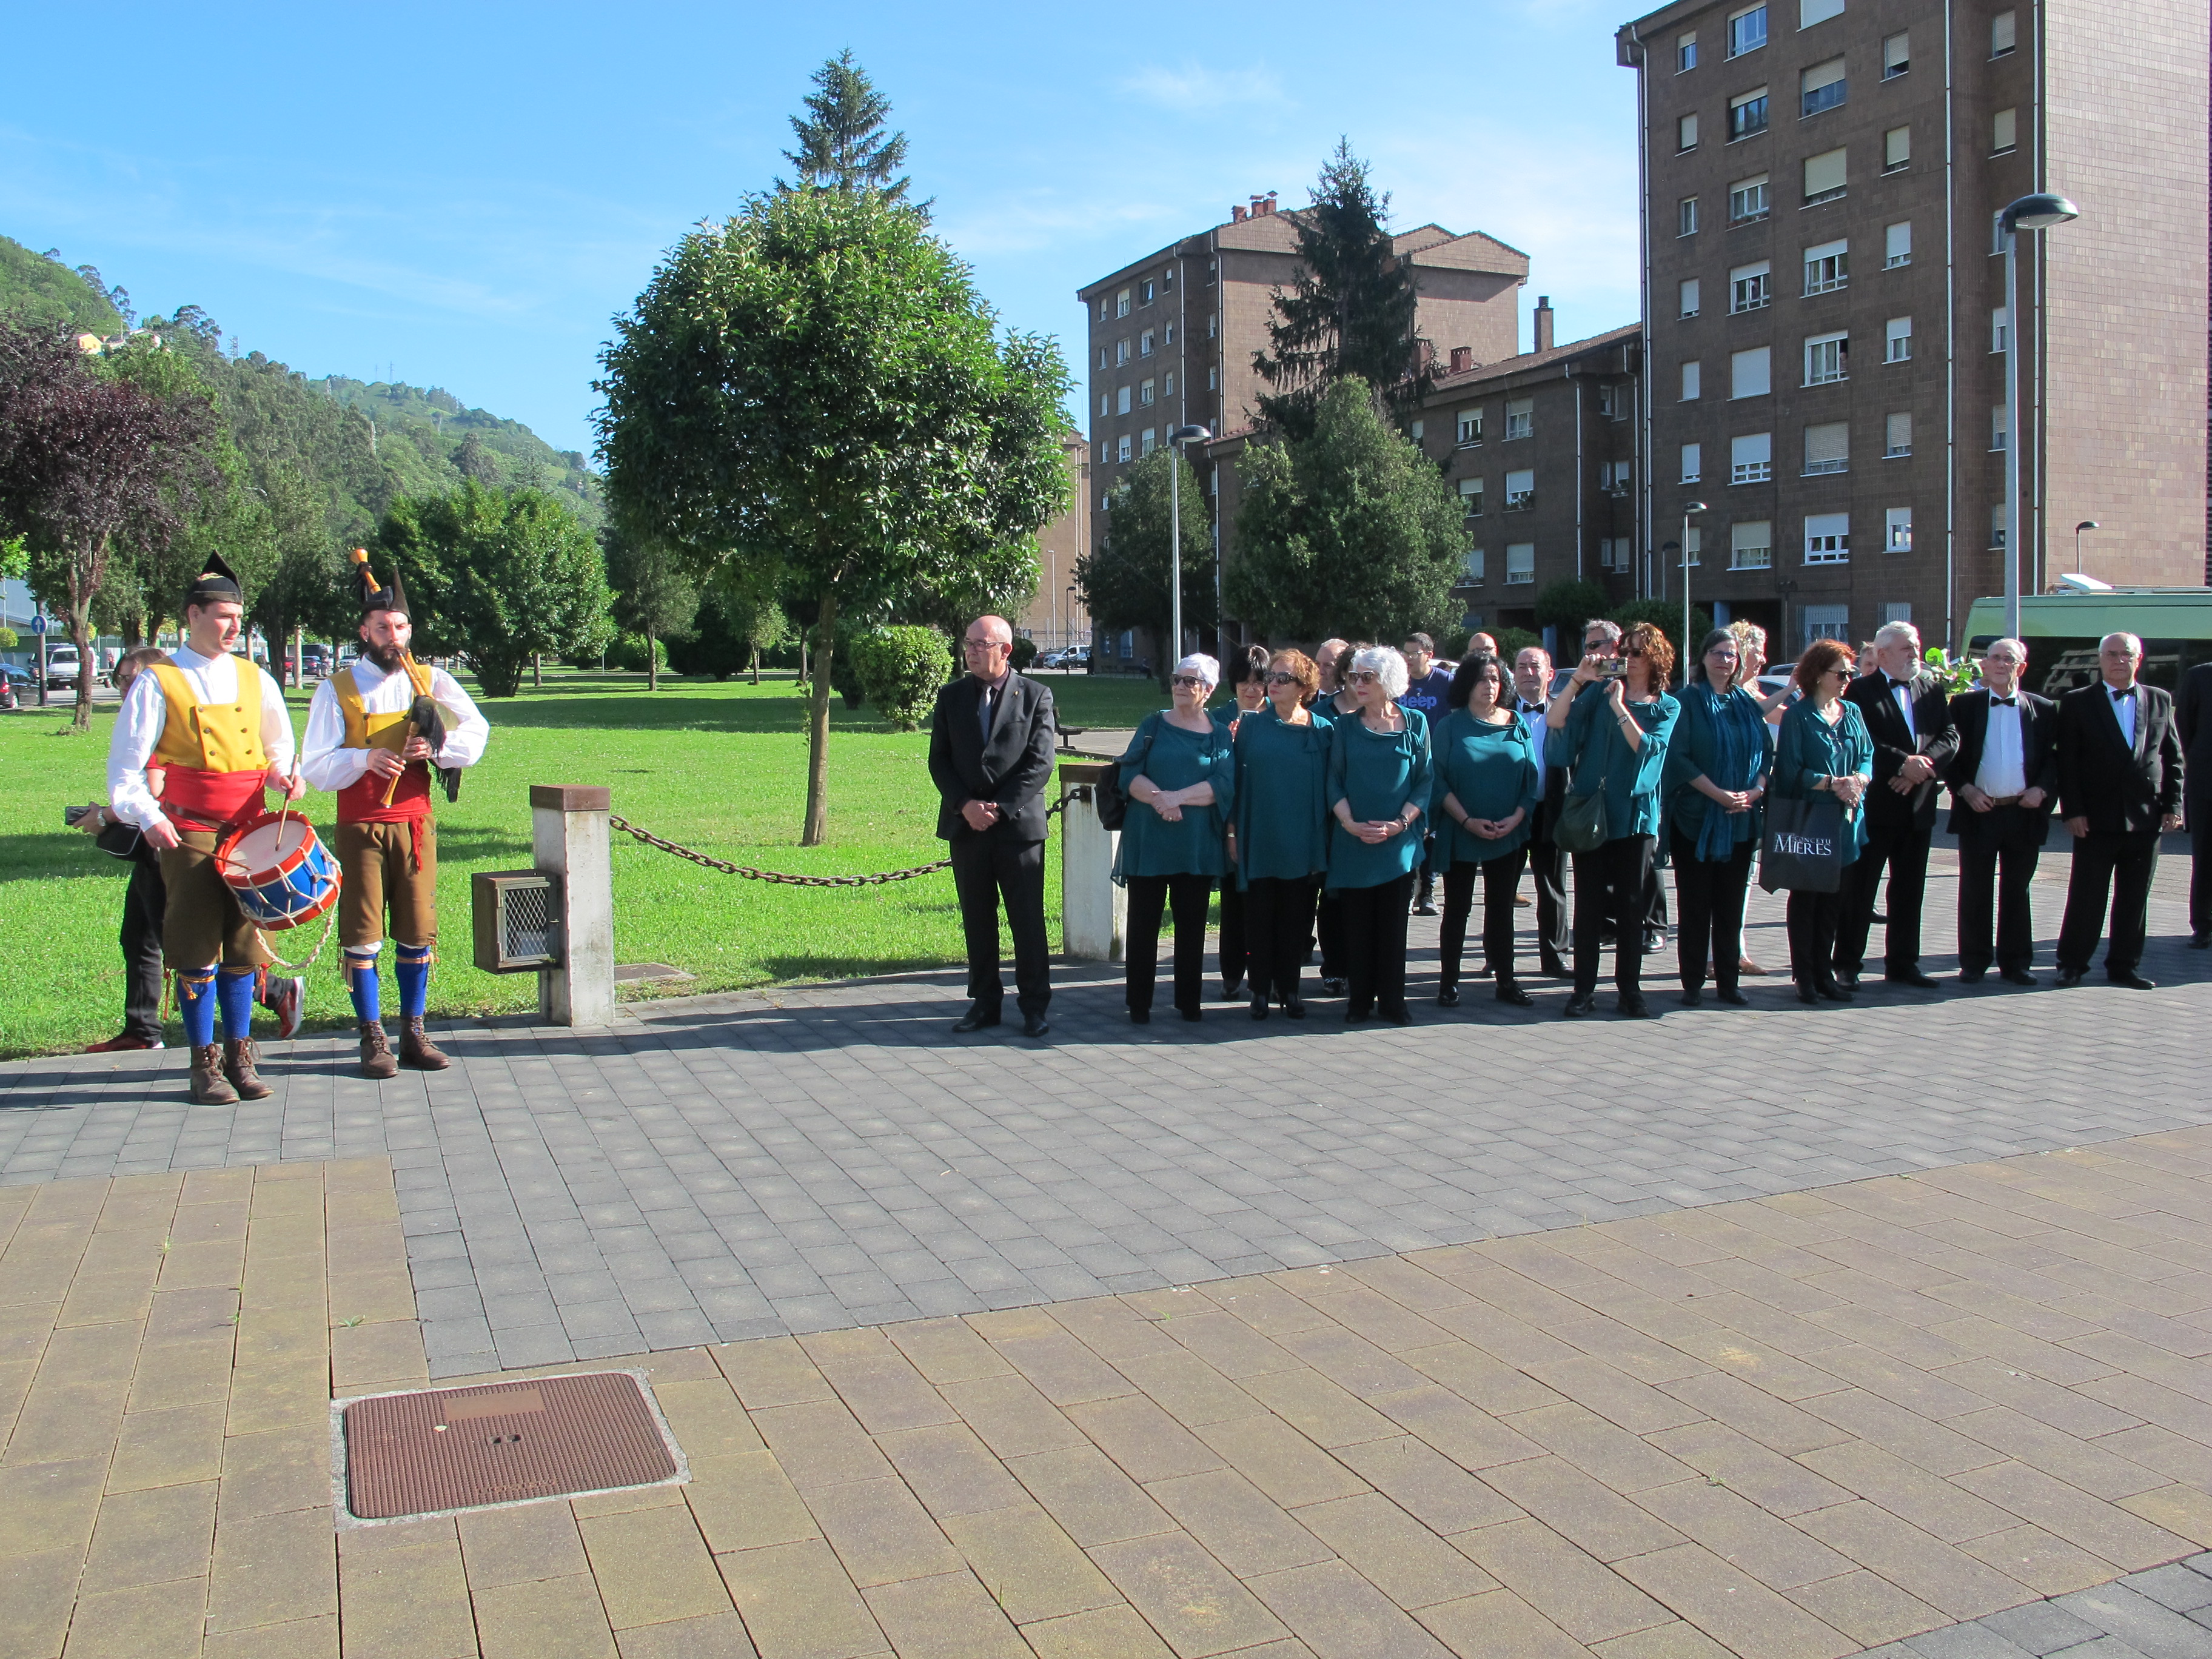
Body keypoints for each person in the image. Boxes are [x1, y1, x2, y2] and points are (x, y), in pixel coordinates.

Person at [106, 555, 304, 1104]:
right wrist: (150, 817)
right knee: (195, 948)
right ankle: (203, 1066)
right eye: (223, 616)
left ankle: (241, 1057)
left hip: (250, 831)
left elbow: (278, 748)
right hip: (189, 831)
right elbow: (124, 772)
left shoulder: (256, 678)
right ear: (193, 616)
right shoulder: (158, 681)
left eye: (239, 617)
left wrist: (284, 775)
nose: (235, 627)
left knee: (245, 948)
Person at [301, 552, 491, 1077]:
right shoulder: (337, 688)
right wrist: (364, 759)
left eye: (401, 627)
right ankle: (372, 1037)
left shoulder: (429, 681)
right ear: (364, 631)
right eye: (383, 627)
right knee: (363, 933)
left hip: (414, 822)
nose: (394, 636)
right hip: (361, 824)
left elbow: (476, 731)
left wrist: (438, 748)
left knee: (416, 929)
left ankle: (413, 1032)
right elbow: (315, 765)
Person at [928, 614, 1058, 1037]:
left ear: (1005, 650)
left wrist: (999, 808)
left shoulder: (1035, 695)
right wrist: (965, 805)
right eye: (968, 643)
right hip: (967, 827)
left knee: (1027, 920)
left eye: (981, 644)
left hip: (1017, 830)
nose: (971, 651)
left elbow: (1040, 763)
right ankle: (984, 1003)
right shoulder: (951, 697)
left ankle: (1035, 1006)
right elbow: (939, 760)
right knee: (977, 919)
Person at [1550, 620, 1678, 1019]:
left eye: (1637, 652)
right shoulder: (1599, 691)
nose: (1628, 659)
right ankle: (1583, 990)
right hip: (1594, 813)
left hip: (1634, 819)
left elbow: (1649, 749)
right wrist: (1578, 681)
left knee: (1630, 906)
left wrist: (1620, 708)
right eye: (1625, 651)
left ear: (1655, 658)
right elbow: (1556, 723)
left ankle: (1630, 991)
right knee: (1588, 907)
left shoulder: (1666, 706)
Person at [2054, 632, 2185, 989]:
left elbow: (2173, 757)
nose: (2118, 660)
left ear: (2138, 659)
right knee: (2087, 896)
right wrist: (2073, 811)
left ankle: (2124, 966)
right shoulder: (2078, 702)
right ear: (2100, 659)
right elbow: (2067, 762)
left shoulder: (2159, 699)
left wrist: (2173, 804)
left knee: (2135, 898)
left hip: (2145, 816)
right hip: (2095, 817)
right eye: (2111, 654)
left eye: (2126, 654)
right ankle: (2072, 964)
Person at [1835, 621, 1957, 990]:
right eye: (1907, 647)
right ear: (1883, 654)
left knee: (1909, 890)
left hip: (1918, 806)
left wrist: (1922, 766)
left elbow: (1950, 735)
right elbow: (1860, 740)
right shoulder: (1859, 690)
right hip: (1876, 806)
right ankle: (1847, 964)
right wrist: (1902, 764)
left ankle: (1904, 963)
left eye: (1916, 645)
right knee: (1860, 890)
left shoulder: (1930, 688)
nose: (1915, 653)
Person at [1114, 655, 1235, 1023]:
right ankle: (1139, 1004)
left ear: (1209, 690)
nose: (1181, 686)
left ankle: (1189, 1002)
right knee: (1143, 927)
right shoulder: (1152, 724)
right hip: (1149, 841)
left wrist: (1175, 798)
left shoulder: (1218, 734)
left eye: (1191, 681)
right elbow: (1128, 775)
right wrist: (1160, 800)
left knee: (1192, 927)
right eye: (1177, 679)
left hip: (1196, 845)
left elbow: (1223, 785)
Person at [1326, 646, 1432, 1024]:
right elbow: (1334, 782)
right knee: (1356, 928)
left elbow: (1425, 781)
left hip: (1398, 845)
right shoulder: (1344, 727)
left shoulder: (1416, 722)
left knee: (1393, 929)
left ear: (1388, 681)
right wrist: (1349, 823)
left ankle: (1393, 1001)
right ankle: (1358, 1002)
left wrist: (1400, 824)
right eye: (1354, 676)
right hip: (1353, 843)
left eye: (1366, 677)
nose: (1358, 683)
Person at [1943, 638, 2058, 986]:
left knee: (2017, 890)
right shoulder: (1964, 706)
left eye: (2009, 659)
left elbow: (2055, 759)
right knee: (1975, 890)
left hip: (2023, 811)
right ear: (1984, 665)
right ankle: (1974, 962)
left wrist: (2042, 789)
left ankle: (2016, 963)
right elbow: (1948, 756)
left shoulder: (2043, 709)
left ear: (2021, 667)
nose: (2001, 664)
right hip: (1978, 811)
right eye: (1994, 658)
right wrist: (1965, 790)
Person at [1667, 629, 1770, 1007]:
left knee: (1730, 907)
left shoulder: (1745, 702)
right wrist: (1718, 794)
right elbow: (1678, 758)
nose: (1724, 661)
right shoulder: (1687, 701)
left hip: (1741, 819)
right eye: (1717, 653)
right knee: (1696, 907)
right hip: (1696, 820)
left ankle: (1729, 982)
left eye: (1731, 655)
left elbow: (1766, 753)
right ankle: (1693, 983)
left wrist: (1755, 791)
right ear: (1703, 657)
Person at [1432, 654, 1541, 1007]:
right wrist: (1466, 820)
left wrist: (1517, 817)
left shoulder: (1516, 723)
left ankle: (1506, 981)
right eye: (1482, 679)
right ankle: (1448, 983)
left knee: (1501, 908)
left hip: (1507, 831)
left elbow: (1531, 779)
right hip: (1461, 829)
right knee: (1457, 908)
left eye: (1495, 679)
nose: (1489, 686)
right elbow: (1438, 781)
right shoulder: (1450, 726)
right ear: (1466, 684)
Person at [1772, 640, 1874, 1004]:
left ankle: (1825, 973)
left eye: (1851, 673)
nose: (1848, 680)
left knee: (1834, 900)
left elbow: (1867, 755)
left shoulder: (1853, 712)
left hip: (1846, 820)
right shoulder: (1798, 716)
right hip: (1812, 821)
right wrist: (1832, 783)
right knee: (1807, 899)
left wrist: (1858, 780)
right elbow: (1789, 771)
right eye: (1841, 674)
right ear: (1817, 674)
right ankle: (1805, 976)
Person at [1232, 649, 1333, 1019]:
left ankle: (1290, 990)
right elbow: (1236, 783)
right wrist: (1232, 832)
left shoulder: (1322, 730)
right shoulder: (1252, 726)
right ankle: (1259, 990)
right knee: (1258, 917)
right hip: (1260, 833)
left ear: (1304, 687)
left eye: (1282, 678)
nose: (1272, 684)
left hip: (1303, 838)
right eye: (1271, 677)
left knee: (1296, 918)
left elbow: (1331, 787)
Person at [1511, 645, 1572, 977]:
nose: (1528, 673)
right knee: (1503, 888)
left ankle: (1555, 957)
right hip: (1508, 813)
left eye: (1535, 666)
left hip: (1551, 810)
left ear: (1550, 674)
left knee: (1552, 888)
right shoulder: (1499, 712)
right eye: (1522, 666)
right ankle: (1498, 956)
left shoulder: (1564, 712)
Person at [1214, 646, 1270, 1001]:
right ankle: (1232, 974)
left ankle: (1267, 974)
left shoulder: (1279, 716)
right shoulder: (1218, 719)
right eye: (1244, 682)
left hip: (1267, 821)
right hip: (1230, 821)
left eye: (1259, 682)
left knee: (1266, 903)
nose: (1251, 689)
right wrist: (1229, 744)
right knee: (1233, 902)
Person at [1398, 634, 1454, 917]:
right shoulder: (1399, 682)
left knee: (1430, 830)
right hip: (1405, 766)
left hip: (1436, 764)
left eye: (1414, 654)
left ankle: (1428, 890)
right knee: (1409, 825)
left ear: (1429, 655)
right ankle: (1408, 886)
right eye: (1405, 653)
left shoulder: (1445, 682)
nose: (1408, 659)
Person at [2179, 654, 2212, 949]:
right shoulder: (2200, 676)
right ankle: (2204, 925)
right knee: (2206, 858)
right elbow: (2184, 730)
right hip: (2207, 785)